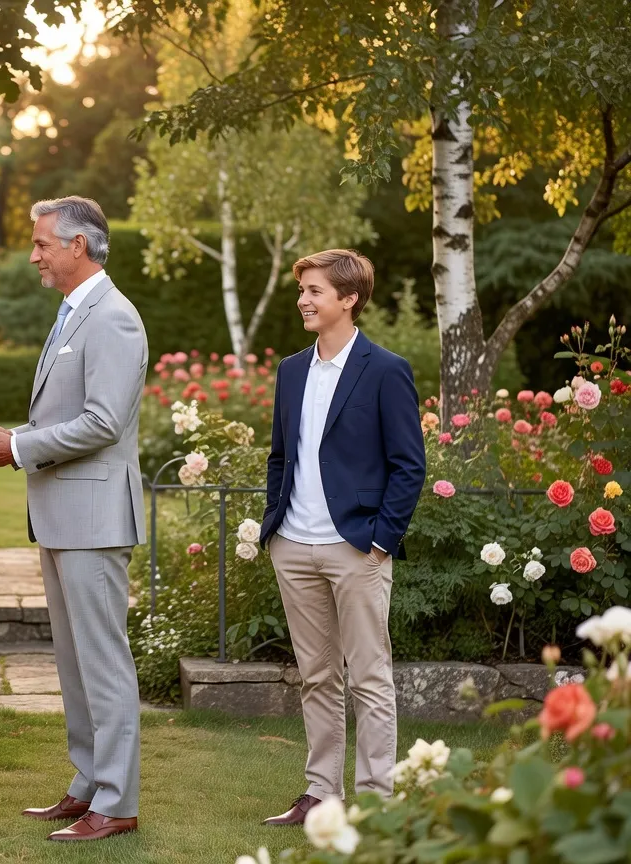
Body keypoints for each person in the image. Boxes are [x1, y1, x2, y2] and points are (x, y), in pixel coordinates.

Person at [0, 197, 147, 842]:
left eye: (43, 243)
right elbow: (62, 418)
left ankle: (118, 801)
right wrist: (16, 436)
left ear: (79, 245)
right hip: (63, 514)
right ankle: (87, 783)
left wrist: (16, 449)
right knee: (74, 664)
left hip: (95, 517)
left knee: (102, 662)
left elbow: (102, 422)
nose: (34, 255)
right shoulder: (76, 313)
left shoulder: (114, 318)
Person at [258, 249, 425, 825]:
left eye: (313, 291)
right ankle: (321, 794)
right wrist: (274, 529)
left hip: (357, 549)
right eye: (301, 290)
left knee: (370, 677)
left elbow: (409, 464)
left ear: (348, 299)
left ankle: (376, 802)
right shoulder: (290, 370)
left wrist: (381, 541)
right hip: (294, 547)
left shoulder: (385, 369)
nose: (303, 299)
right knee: (317, 676)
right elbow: (281, 457)